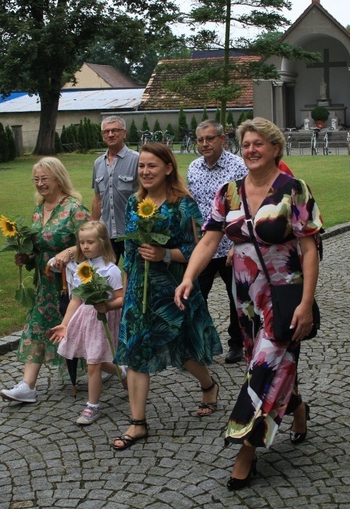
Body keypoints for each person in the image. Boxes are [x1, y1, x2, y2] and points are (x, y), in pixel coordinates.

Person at [175, 117, 322, 491]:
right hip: (245, 300)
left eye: (259, 143)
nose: (252, 150)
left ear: (275, 148)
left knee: (261, 370)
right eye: (247, 144)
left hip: (285, 295)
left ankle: (245, 452)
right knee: (269, 364)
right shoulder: (229, 193)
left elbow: (309, 249)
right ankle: (297, 406)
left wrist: (306, 302)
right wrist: (189, 276)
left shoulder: (294, 190)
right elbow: (209, 240)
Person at [112, 143, 222, 451]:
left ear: (168, 168)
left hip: (174, 289)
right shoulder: (134, 203)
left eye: (152, 166)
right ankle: (138, 423)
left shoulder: (184, 205)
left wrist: (164, 254)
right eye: (142, 166)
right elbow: (130, 250)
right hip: (139, 292)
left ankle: (209, 385)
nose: (145, 172)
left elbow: (200, 250)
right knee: (136, 353)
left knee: (185, 351)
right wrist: (126, 286)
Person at [0, 157, 91, 403]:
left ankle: (115, 368)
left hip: (70, 284)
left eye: (45, 178)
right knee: (36, 327)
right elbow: (37, 246)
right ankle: (27, 386)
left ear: (58, 179)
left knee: (79, 331)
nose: (40, 184)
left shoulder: (74, 208)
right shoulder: (39, 210)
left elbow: (92, 241)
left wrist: (68, 252)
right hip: (45, 283)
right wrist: (26, 256)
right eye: (36, 179)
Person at [50, 221, 125, 425]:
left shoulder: (111, 270)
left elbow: (122, 298)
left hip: (103, 319)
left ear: (102, 242)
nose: (85, 247)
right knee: (94, 359)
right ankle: (123, 372)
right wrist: (65, 325)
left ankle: (92, 407)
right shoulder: (81, 269)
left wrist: (108, 306)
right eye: (82, 242)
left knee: (93, 364)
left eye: (90, 242)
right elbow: (76, 299)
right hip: (86, 318)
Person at [186, 120, 248, 365]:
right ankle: (200, 344)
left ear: (222, 139)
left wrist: (238, 243)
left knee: (237, 298)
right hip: (203, 246)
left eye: (210, 139)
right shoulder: (193, 168)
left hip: (231, 246)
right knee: (196, 297)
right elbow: (192, 206)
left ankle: (237, 344)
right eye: (200, 139)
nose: (204, 144)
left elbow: (247, 207)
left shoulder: (238, 167)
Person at [92, 116, 139, 261]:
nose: (111, 134)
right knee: (105, 274)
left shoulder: (137, 159)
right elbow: (97, 198)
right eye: (106, 131)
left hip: (131, 232)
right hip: (106, 233)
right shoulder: (98, 163)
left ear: (124, 133)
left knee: (132, 274)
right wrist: (94, 227)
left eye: (115, 130)